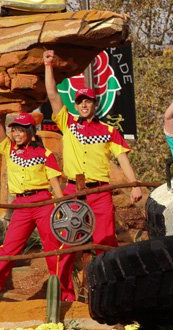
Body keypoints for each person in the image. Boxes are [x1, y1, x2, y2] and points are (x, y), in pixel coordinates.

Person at [43, 49, 143, 294]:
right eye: (80, 101)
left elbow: (123, 159)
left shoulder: (110, 130)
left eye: (88, 101)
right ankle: (64, 294)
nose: (84, 104)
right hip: (72, 191)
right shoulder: (67, 122)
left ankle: (109, 292)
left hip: (100, 193)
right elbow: (52, 93)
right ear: (76, 105)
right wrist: (48, 66)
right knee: (66, 244)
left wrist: (134, 184)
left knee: (106, 242)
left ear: (95, 105)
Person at [0, 87, 74, 303]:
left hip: (44, 203)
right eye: (14, 130)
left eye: (21, 130)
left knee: (54, 250)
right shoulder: (9, 148)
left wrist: (62, 207)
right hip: (21, 206)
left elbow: (54, 183)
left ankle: (66, 297)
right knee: (7, 251)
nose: (16, 134)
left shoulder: (45, 154)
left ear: (31, 130)